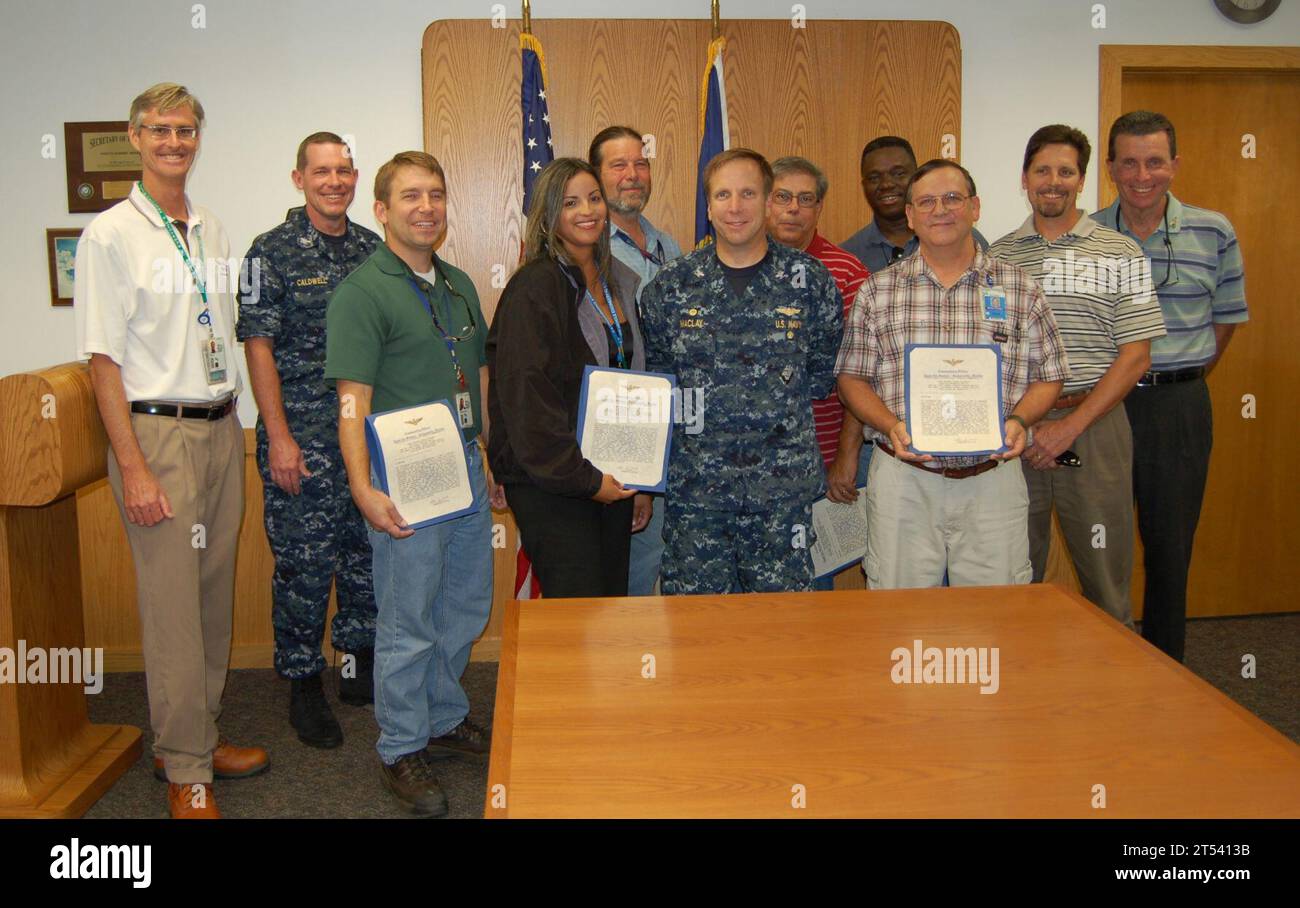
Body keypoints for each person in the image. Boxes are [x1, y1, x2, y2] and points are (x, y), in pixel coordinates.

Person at [74, 82, 267, 819]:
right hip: (156, 433)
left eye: (185, 130)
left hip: (221, 425)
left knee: (213, 598)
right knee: (172, 609)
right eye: (159, 130)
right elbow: (103, 362)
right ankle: (186, 768)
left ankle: (196, 735)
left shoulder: (211, 229)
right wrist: (132, 466)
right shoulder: (111, 235)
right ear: (135, 135)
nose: (174, 142)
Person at [325, 151, 494, 817]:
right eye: (411, 196)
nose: (426, 206)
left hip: (466, 468)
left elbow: (473, 379)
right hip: (404, 475)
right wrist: (363, 488)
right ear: (382, 210)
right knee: (407, 618)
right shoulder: (363, 292)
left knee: (464, 607)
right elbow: (351, 400)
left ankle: (443, 717)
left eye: (436, 194)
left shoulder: (457, 285)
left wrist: (488, 454)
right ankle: (400, 744)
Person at [836, 159, 1070, 588]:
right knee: (896, 612)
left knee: (995, 615)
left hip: (992, 479)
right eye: (925, 201)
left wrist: (1019, 421)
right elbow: (852, 378)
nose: (939, 210)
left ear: (975, 207)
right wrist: (891, 425)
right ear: (909, 216)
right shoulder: (878, 291)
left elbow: (1050, 374)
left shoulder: (1020, 288)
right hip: (904, 480)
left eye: (952, 198)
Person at [641, 148, 842, 594]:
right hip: (697, 495)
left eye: (748, 193)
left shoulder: (811, 282)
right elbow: (660, 380)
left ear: (769, 201)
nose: (736, 207)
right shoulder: (671, 287)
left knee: (782, 631)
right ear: (708, 207)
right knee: (696, 632)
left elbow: (820, 374)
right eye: (723, 195)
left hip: (781, 494)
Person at [989, 124, 1165, 627]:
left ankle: (1117, 695)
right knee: (1012, 575)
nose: (1053, 181)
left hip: (1096, 425)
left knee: (1106, 581)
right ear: (1024, 178)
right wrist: (1022, 424)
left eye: (1066, 171)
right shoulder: (996, 259)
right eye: (1042, 169)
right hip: (1014, 433)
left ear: (1081, 180)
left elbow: (1136, 355)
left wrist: (1069, 426)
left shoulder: (1120, 253)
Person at [237, 132, 380, 749]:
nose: (335, 182)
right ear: (299, 178)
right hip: (303, 437)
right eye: (322, 171)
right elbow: (258, 346)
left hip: (366, 438)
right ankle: (301, 683)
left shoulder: (375, 251)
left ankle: (354, 666)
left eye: (345, 171)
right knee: (304, 567)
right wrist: (279, 438)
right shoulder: (268, 253)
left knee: (364, 558)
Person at [1092, 111, 1248, 661]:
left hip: (1179, 406)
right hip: (1103, 408)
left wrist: (1181, 371)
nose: (1142, 175)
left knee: (1169, 549)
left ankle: (1166, 671)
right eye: (1129, 162)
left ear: (1174, 165)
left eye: (1155, 161)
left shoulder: (1214, 230)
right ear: (1111, 167)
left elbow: (1225, 319)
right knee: (1100, 545)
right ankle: (1106, 666)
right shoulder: (1085, 236)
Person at [487, 157, 645, 598]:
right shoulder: (534, 287)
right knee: (579, 608)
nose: (587, 210)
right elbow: (526, 397)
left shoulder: (619, 284)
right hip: (554, 479)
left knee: (610, 598)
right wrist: (586, 480)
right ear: (549, 215)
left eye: (594, 198)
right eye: (570, 202)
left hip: (611, 471)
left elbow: (633, 379)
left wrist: (640, 478)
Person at [765, 155, 871, 591]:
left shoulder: (847, 272)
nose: (793, 208)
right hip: (754, 466)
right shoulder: (737, 265)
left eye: (805, 199)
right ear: (766, 202)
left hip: (823, 460)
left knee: (813, 585)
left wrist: (846, 457)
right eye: (783, 197)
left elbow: (860, 371)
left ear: (819, 207)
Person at [589, 125, 684, 596]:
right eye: (619, 165)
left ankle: (648, 663)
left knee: (653, 565)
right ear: (596, 175)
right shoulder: (585, 249)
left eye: (640, 163)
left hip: (668, 430)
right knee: (609, 576)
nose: (633, 175)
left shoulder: (671, 248)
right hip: (611, 434)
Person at [841, 136, 988, 273]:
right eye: (874, 178)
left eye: (898, 174)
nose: (886, 184)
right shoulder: (849, 256)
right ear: (864, 185)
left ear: (916, 178)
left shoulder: (966, 239)